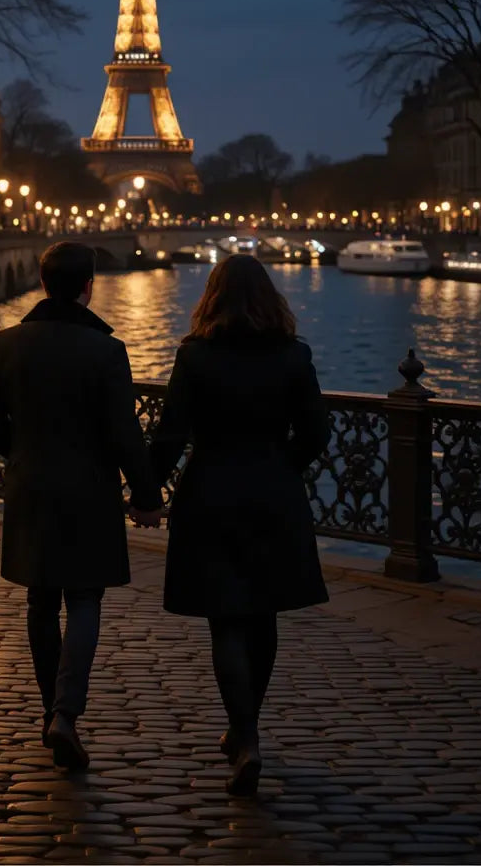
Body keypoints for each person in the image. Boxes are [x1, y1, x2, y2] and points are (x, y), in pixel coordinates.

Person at [0, 241, 163, 771]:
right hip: (88, 489)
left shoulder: (7, 342)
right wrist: (147, 495)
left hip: (31, 485)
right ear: (88, 287)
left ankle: (48, 711)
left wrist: (23, 453)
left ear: (42, 282)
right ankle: (66, 712)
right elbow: (126, 435)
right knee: (84, 600)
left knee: (40, 600)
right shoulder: (108, 350)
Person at [150, 254, 330, 797]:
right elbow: (316, 433)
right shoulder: (295, 356)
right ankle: (247, 727)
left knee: (226, 619)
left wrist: (144, 490)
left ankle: (244, 734)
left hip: (210, 492)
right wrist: (281, 467)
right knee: (264, 613)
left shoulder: (195, 356)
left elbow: (171, 436)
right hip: (273, 494)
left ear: (211, 297)